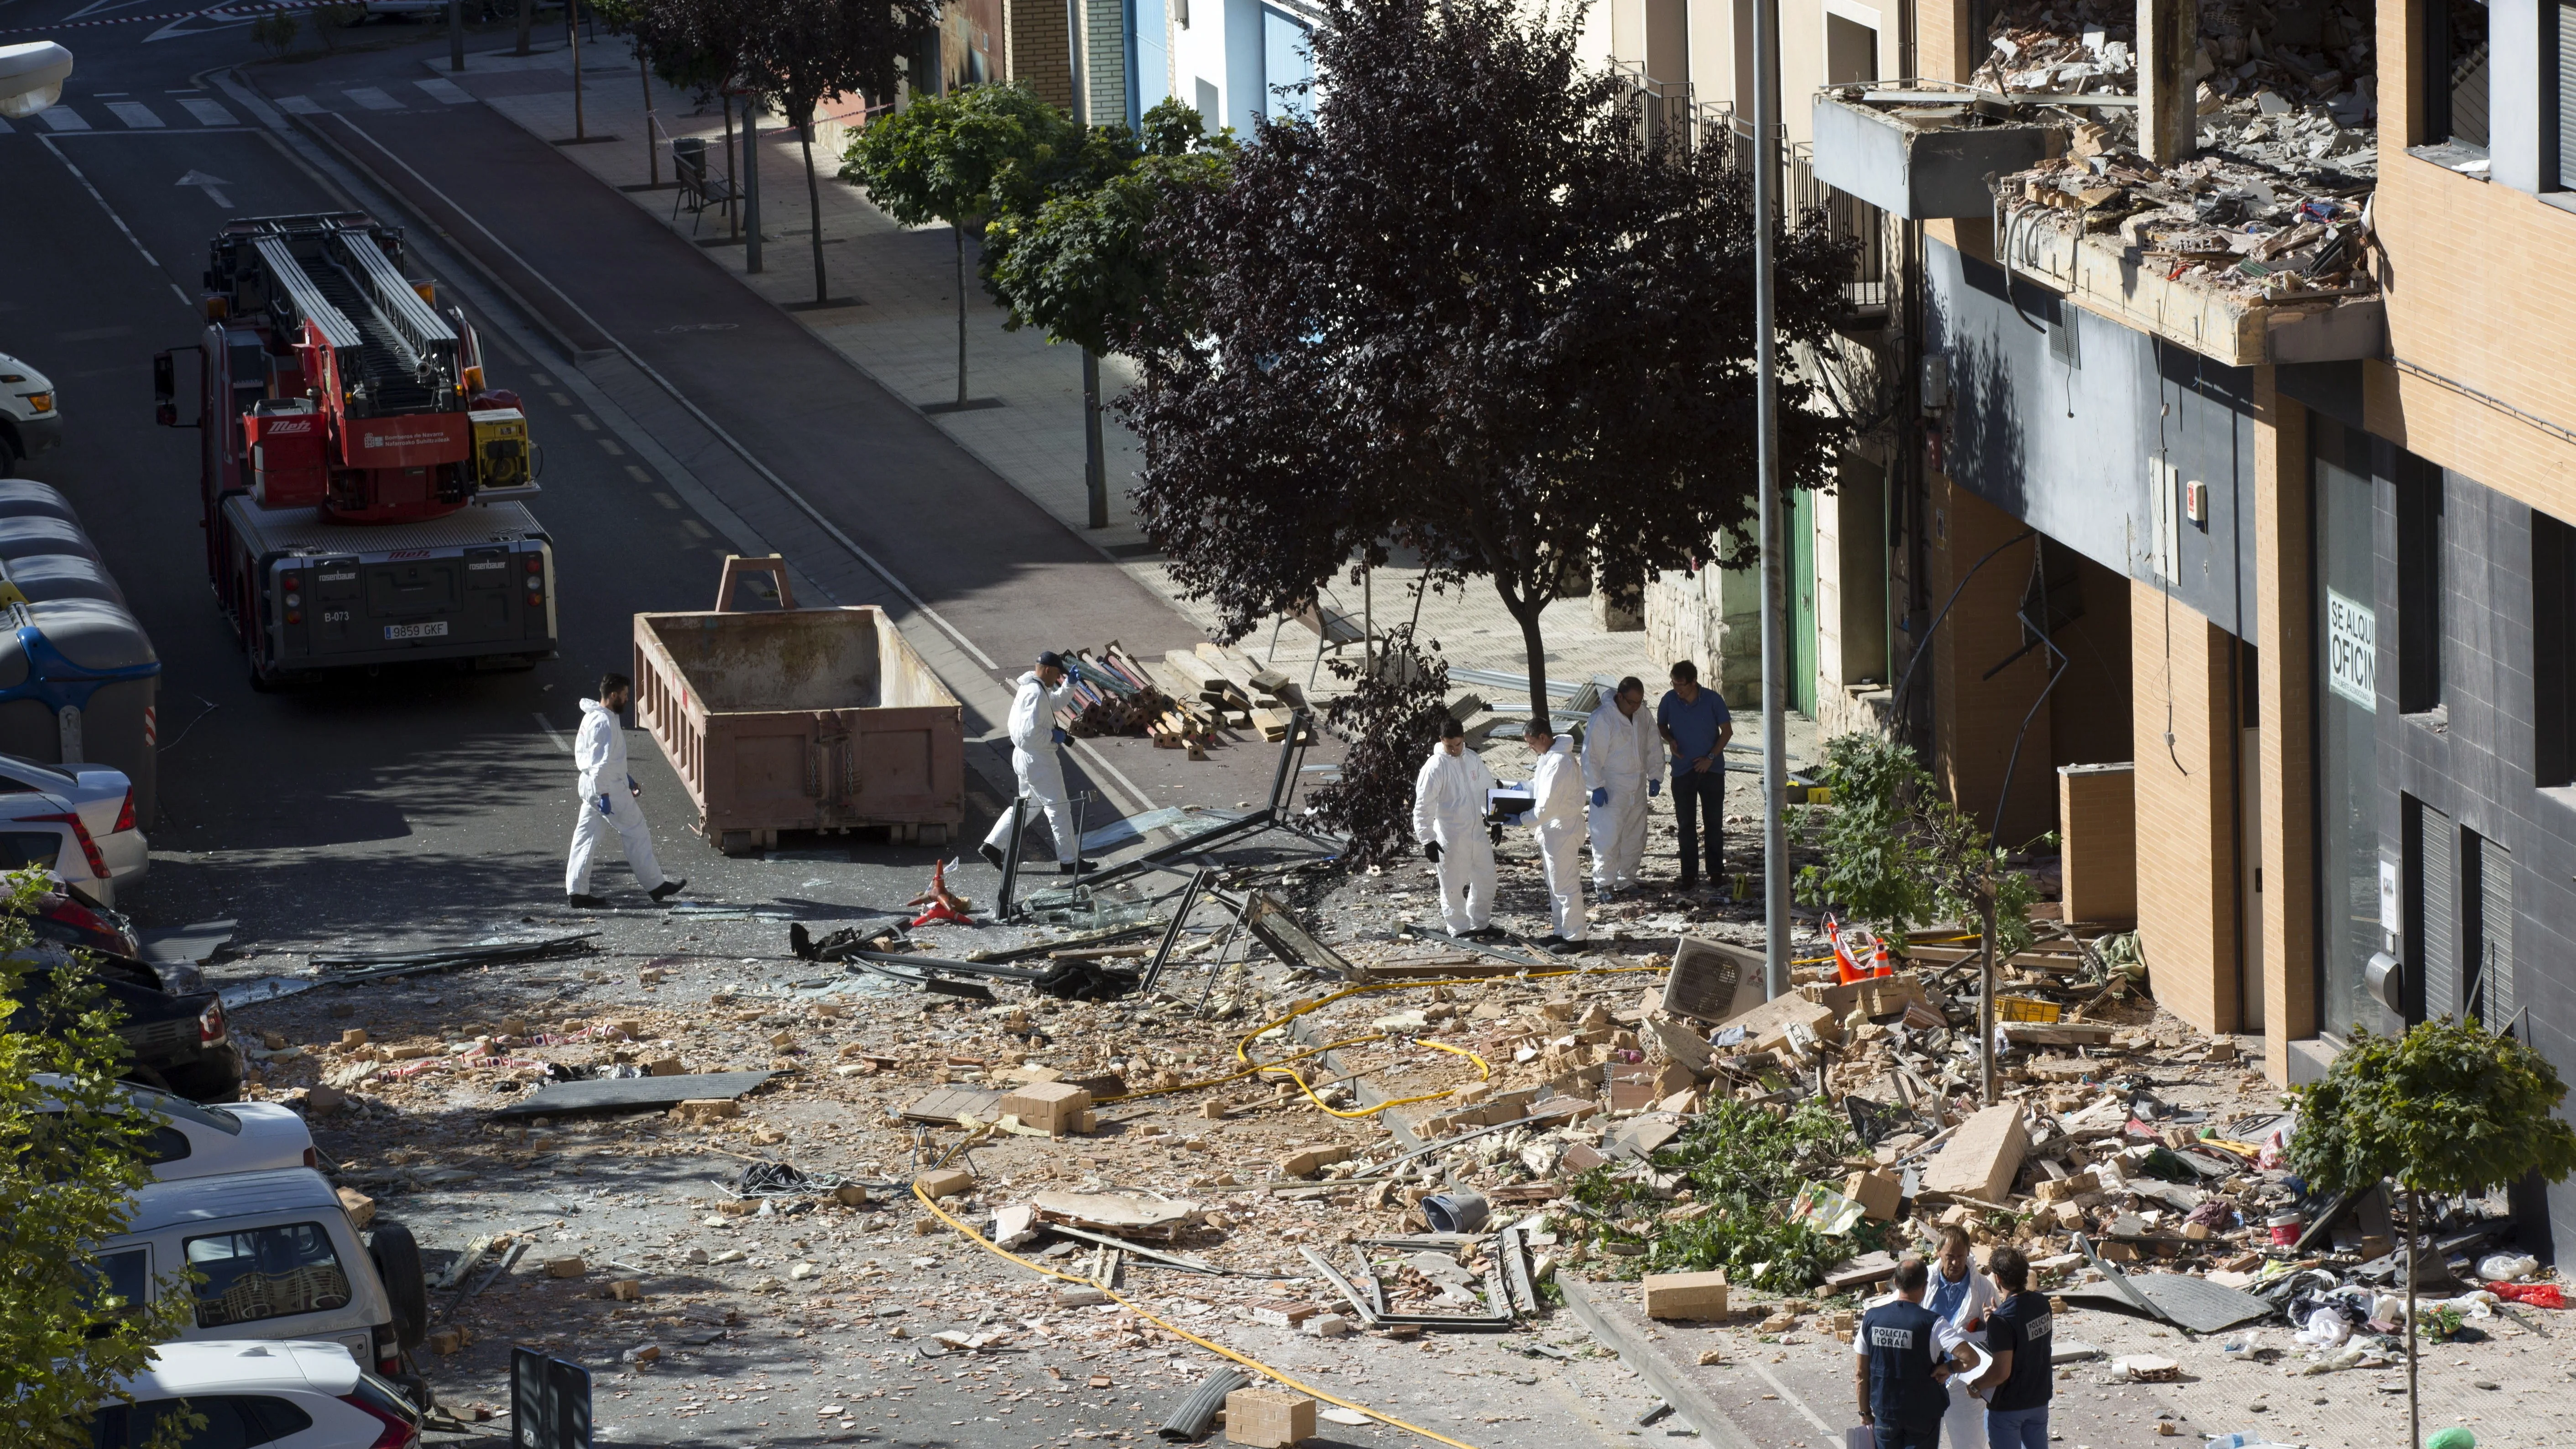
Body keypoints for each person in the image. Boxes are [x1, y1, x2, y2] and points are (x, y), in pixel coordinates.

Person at [565, 674, 685, 909]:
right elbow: (600, 765)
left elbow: (601, 759)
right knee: (636, 830)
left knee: (586, 837)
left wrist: (627, 779)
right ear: (613, 695)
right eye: (625, 695)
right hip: (606, 787)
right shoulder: (604, 723)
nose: (627, 700)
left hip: (593, 786)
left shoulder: (593, 717)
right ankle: (656, 885)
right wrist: (606, 796)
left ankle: (577, 891)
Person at [979, 651, 1092, 875]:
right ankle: (1069, 862)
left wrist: (1069, 685)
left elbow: (1056, 703)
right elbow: (1027, 733)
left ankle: (992, 846)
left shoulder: (1034, 687)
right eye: (1058, 675)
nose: (1058, 679)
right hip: (1039, 759)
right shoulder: (1035, 694)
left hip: (1026, 758)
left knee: (1027, 807)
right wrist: (1054, 736)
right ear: (1048, 670)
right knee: (1059, 808)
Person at [1854, 1256, 1957, 1449]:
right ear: (1925, 1287)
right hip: (1923, 1416)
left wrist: (1865, 1413)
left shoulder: (1871, 1318)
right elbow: (1971, 1358)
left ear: (1895, 1283)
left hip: (1886, 1414)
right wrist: (1949, 1367)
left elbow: (1861, 1374)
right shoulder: (1933, 1323)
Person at [1412, 716, 1500, 937]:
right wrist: (1428, 840)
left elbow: (1487, 789)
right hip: (1451, 837)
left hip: (1477, 833)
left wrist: (1495, 819)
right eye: (1449, 746)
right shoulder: (1434, 767)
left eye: (1458, 744)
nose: (1454, 750)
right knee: (1452, 886)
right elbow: (1424, 805)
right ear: (1442, 741)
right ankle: (1459, 929)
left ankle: (1480, 923)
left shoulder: (1472, 759)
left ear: (1464, 739)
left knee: (1487, 880)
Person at [1655, 660, 1734, 892]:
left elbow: (1727, 731)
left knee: (1714, 823)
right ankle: (1689, 874)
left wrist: (1710, 757)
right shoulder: (1669, 701)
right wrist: (1670, 741)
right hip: (1682, 771)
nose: (1678, 689)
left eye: (1682, 685)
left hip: (1712, 770)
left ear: (1694, 682)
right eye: (1674, 684)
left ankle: (1716, 871)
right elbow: (1662, 726)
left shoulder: (1712, 700)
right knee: (1686, 825)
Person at [1581, 677, 1662, 899]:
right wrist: (1595, 785)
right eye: (1632, 703)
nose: (1636, 707)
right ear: (1620, 697)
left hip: (1637, 786)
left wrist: (1655, 774)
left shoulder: (1643, 715)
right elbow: (1591, 755)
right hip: (1612, 787)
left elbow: (1653, 744)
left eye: (1640, 702)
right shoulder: (1603, 718)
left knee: (1635, 836)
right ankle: (1604, 884)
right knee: (1608, 837)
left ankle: (1625, 880)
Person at [1972, 1246, 2053, 1449]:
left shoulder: (2002, 1321)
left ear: (1998, 1278)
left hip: (2010, 1407)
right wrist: (1998, 1318)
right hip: (2039, 1398)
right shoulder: (2042, 1303)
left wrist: (1976, 1385)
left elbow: (2001, 1371)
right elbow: (2025, 1331)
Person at [1519, 717, 1588, 951]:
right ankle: (1562, 931)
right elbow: (1539, 788)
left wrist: (1521, 819)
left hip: (1562, 829)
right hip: (1553, 829)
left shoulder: (1559, 761)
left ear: (1544, 738)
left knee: (1566, 885)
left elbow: (1546, 805)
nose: (1531, 748)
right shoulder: (1548, 758)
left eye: (1531, 743)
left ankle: (1576, 938)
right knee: (1556, 884)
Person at [1928, 1225, 2000, 1449]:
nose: (1955, 1263)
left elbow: (1997, 1335)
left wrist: (1964, 1337)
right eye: (1950, 1257)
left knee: (1969, 1444)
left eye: (1961, 1257)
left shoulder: (1983, 1289)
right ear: (1938, 1251)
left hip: (1964, 1379)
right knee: (1923, 1442)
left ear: (1968, 1252)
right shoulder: (1924, 1281)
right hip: (1926, 1377)